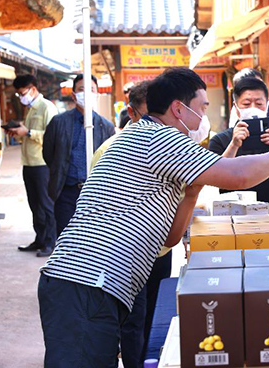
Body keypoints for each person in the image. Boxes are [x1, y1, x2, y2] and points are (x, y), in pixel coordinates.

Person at [38, 68, 269, 367]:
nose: (205, 118)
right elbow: (238, 175)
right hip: (85, 284)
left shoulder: (148, 140)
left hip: (91, 288)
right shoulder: (158, 137)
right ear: (179, 108)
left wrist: (191, 195)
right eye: (202, 108)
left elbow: (169, 238)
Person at [90, 81, 168, 368]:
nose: (156, 125)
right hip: (128, 251)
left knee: (155, 312)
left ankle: (148, 359)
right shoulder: (109, 149)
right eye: (149, 117)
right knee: (133, 318)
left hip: (161, 248)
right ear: (132, 114)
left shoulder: (170, 145)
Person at [209, 77, 269, 240]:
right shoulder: (221, 140)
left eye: (259, 103)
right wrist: (234, 145)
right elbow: (216, 179)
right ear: (236, 108)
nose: (253, 108)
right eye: (246, 104)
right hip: (236, 229)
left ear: (267, 106)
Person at [43, 74, 115, 238]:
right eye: (82, 89)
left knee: (94, 241)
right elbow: (48, 154)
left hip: (96, 194)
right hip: (66, 192)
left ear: (97, 94)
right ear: (74, 94)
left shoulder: (106, 126)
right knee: (66, 240)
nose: (86, 93)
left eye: (91, 90)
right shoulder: (58, 122)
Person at [9, 74, 58, 257]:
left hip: (42, 163)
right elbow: (31, 134)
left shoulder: (47, 108)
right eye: (19, 94)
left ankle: (50, 242)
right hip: (28, 163)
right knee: (34, 205)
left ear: (33, 89)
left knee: (46, 204)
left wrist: (28, 132)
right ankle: (40, 238)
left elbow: (51, 135)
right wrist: (20, 132)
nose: (22, 97)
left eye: (23, 93)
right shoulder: (30, 109)